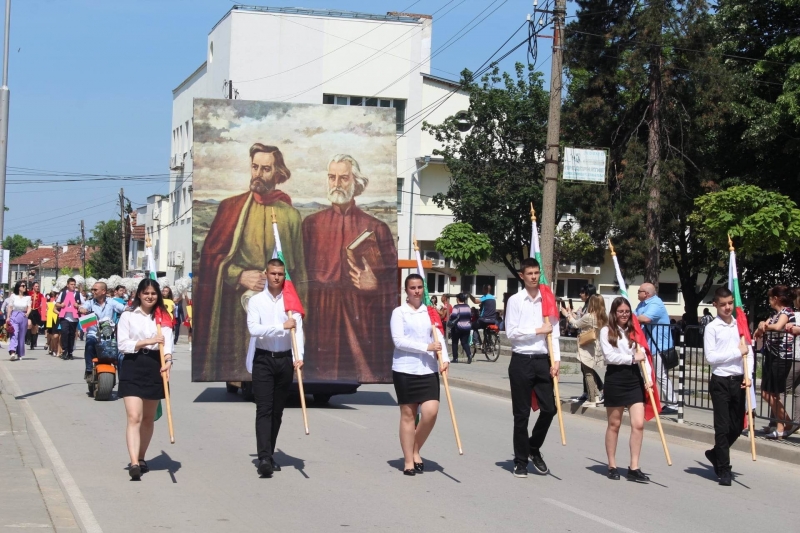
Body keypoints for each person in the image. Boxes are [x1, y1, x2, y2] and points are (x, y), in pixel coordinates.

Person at [195, 143, 306, 381]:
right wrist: (239, 274)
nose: (257, 173)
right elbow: (210, 258)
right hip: (236, 309)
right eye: (255, 167)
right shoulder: (230, 208)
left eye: (265, 169)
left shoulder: (291, 216)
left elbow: (298, 270)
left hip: (276, 306)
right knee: (243, 367)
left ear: (278, 173)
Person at [301, 154, 397, 382]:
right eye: (331, 177)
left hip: (361, 318)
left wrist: (374, 285)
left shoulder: (377, 227)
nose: (336, 184)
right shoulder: (311, 225)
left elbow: (392, 282)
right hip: (321, 319)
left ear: (357, 182)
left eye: (343, 178)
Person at [246, 259, 304, 478]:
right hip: (263, 359)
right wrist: (281, 326)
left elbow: (298, 330)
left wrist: (300, 356)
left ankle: (269, 453)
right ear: (266, 274)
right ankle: (263, 458)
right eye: (273, 273)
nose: (277, 277)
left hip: (284, 359)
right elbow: (254, 329)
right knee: (264, 408)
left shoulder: (290, 301)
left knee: (278, 411)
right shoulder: (256, 301)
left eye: (280, 274)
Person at [505, 258, 560, 478]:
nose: (534, 277)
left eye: (537, 273)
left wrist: (556, 360)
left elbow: (553, 330)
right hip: (521, 360)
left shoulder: (547, 299)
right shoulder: (515, 300)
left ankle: (533, 447)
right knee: (521, 414)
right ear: (522, 276)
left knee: (550, 409)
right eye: (529, 273)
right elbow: (511, 332)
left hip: (542, 360)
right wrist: (538, 330)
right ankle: (520, 461)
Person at [391, 274, 450, 476]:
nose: (416, 291)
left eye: (419, 287)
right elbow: (399, 341)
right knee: (408, 415)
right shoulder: (399, 313)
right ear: (406, 290)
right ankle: (409, 459)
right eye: (412, 287)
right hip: (405, 369)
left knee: (431, 412)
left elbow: (439, 336)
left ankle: (415, 446)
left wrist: (446, 359)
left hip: (428, 369)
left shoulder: (431, 312)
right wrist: (426, 347)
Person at [116, 279, 174, 481]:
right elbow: (123, 345)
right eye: (146, 293)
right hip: (133, 365)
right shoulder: (127, 316)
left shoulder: (162, 317)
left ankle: (141, 457)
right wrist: (148, 341)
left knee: (148, 418)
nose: (150, 296)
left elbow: (167, 346)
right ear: (139, 294)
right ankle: (133, 462)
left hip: (155, 367)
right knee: (134, 417)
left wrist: (168, 361)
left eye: (154, 293)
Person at [599, 297, 653, 482]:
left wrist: (648, 377)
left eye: (627, 311)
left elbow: (643, 354)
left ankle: (634, 467)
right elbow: (610, 356)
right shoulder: (606, 331)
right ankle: (612, 465)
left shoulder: (635, 331)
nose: (624, 314)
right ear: (614, 313)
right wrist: (631, 358)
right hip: (615, 377)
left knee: (638, 424)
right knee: (614, 424)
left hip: (634, 379)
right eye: (620, 311)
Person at [702, 287, 752, 486]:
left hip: (739, 379)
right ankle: (723, 468)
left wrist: (748, 375)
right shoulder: (712, 328)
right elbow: (710, 357)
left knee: (738, 426)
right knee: (722, 427)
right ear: (715, 305)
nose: (727, 307)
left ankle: (715, 453)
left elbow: (748, 352)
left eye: (730, 303)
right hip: (721, 381)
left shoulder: (739, 325)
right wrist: (736, 352)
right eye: (723, 304)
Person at [754, 285, 795, 439]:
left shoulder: (786, 312)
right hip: (771, 356)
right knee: (766, 393)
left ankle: (782, 426)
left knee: (773, 394)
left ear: (776, 298)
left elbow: (778, 327)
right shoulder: (774, 315)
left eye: (770, 298)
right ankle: (787, 422)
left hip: (782, 358)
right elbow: (759, 331)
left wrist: (765, 326)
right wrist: (760, 327)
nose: (769, 301)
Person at [635, 283, 678, 414]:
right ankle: (647, 400)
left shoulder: (656, 304)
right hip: (648, 345)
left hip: (659, 347)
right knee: (646, 374)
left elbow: (645, 318)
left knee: (661, 375)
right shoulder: (643, 304)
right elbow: (635, 315)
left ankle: (673, 404)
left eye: (639, 291)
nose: (637, 293)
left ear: (646, 294)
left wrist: (631, 319)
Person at [79, 282, 126, 382]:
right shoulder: (90, 302)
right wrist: (82, 309)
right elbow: (83, 307)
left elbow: (122, 308)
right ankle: (88, 371)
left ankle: (123, 381)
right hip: (93, 334)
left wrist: (130, 309)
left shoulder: (111, 302)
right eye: (92, 289)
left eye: (95, 290)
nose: (93, 292)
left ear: (103, 291)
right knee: (89, 345)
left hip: (108, 335)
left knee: (120, 355)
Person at [566, 294, 607, 407]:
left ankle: (592, 398)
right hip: (596, 346)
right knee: (589, 371)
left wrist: (568, 315)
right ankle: (596, 395)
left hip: (586, 346)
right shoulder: (603, 317)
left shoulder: (589, 316)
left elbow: (575, 324)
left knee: (588, 373)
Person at [55, 278, 83, 361]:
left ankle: (70, 352)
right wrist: (61, 305)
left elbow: (84, 304)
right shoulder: (63, 293)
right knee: (64, 332)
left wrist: (77, 305)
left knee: (71, 335)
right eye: (71, 284)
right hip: (64, 316)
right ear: (67, 285)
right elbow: (57, 303)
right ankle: (64, 351)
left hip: (74, 318)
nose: (73, 286)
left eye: (74, 284)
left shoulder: (78, 294)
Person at [5, 281, 31, 361]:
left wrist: (27, 314)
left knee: (21, 336)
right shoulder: (13, 296)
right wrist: (8, 317)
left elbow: (29, 307)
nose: (24, 287)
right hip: (14, 316)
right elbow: (10, 307)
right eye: (23, 286)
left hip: (23, 316)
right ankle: (12, 351)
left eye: (25, 286)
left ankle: (20, 353)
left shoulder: (27, 297)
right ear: (18, 287)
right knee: (14, 334)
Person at [447, 293, 473, 364]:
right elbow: (470, 316)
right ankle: (469, 355)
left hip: (458, 328)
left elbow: (453, 316)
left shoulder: (456, 307)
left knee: (455, 342)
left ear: (458, 299)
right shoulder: (468, 307)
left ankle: (455, 358)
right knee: (464, 342)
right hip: (467, 327)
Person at [27, 281, 46, 350]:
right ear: (33, 287)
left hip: (37, 311)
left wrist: (43, 315)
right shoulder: (29, 293)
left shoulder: (41, 295)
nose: (37, 287)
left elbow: (44, 305)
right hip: (30, 310)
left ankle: (32, 343)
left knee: (35, 328)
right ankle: (27, 339)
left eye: (38, 286)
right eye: (36, 286)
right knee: (29, 324)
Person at [45, 291, 60, 357]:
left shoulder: (58, 303)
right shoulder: (50, 303)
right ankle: (52, 348)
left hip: (57, 320)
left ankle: (54, 349)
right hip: (52, 320)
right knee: (51, 334)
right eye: (55, 297)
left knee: (56, 335)